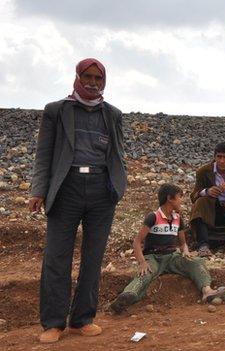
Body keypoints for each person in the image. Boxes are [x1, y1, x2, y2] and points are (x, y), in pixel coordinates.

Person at [29, 58, 127, 343]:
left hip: (101, 190)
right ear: (78, 77)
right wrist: (38, 190)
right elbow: (43, 154)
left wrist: (118, 186)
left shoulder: (113, 114)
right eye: (88, 76)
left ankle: (82, 319)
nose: (93, 82)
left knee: (93, 258)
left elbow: (117, 153)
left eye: (98, 78)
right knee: (57, 258)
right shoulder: (56, 111)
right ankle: (53, 322)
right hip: (66, 188)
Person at [110, 184, 225, 314]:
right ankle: (127, 296)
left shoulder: (178, 219)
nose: (181, 201)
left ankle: (207, 292)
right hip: (153, 257)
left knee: (196, 263)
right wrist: (142, 262)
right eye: (179, 197)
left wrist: (185, 251)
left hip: (172, 257)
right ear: (169, 198)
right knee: (145, 274)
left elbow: (182, 243)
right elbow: (137, 242)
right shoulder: (153, 217)